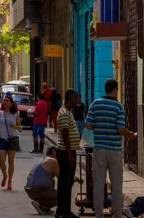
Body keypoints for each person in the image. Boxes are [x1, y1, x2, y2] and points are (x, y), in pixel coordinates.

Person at [85, 79, 136, 218]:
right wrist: (130, 134)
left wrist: (99, 126)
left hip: (99, 149)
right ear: (114, 90)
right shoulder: (118, 107)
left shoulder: (95, 104)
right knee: (116, 185)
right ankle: (117, 213)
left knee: (99, 184)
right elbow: (120, 128)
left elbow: (88, 125)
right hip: (114, 149)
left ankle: (99, 214)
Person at [56, 88, 80, 218]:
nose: (78, 100)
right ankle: (61, 212)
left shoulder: (68, 112)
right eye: (76, 97)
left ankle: (66, 210)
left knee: (68, 182)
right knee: (64, 183)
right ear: (71, 98)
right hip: (65, 153)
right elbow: (65, 134)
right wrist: (70, 155)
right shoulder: (65, 113)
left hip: (69, 152)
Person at [25, 146, 59, 214]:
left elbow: (28, 176)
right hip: (39, 190)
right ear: (53, 152)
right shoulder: (53, 160)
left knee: (52, 181)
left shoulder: (42, 160)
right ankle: (41, 205)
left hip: (30, 191)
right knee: (63, 198)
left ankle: (45, 208)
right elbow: (61, 177)